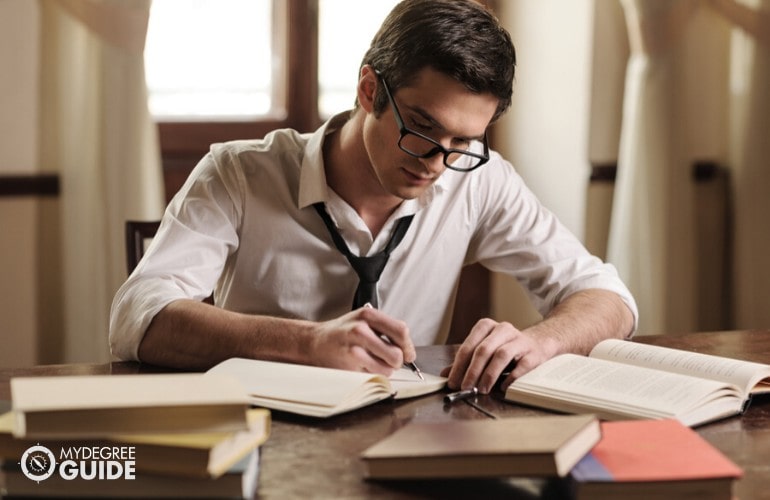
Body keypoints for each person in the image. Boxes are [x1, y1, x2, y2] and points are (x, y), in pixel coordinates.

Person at [110, 0, 637, 395]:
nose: (436, 162)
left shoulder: (476, 179)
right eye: (423, 128)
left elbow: (609, 298)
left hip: (407, 434)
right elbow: (137, 315)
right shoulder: (239, 173)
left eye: (462, 143)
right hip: (254, 429)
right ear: (369, 90)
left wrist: (540, 342)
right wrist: (306, 344)